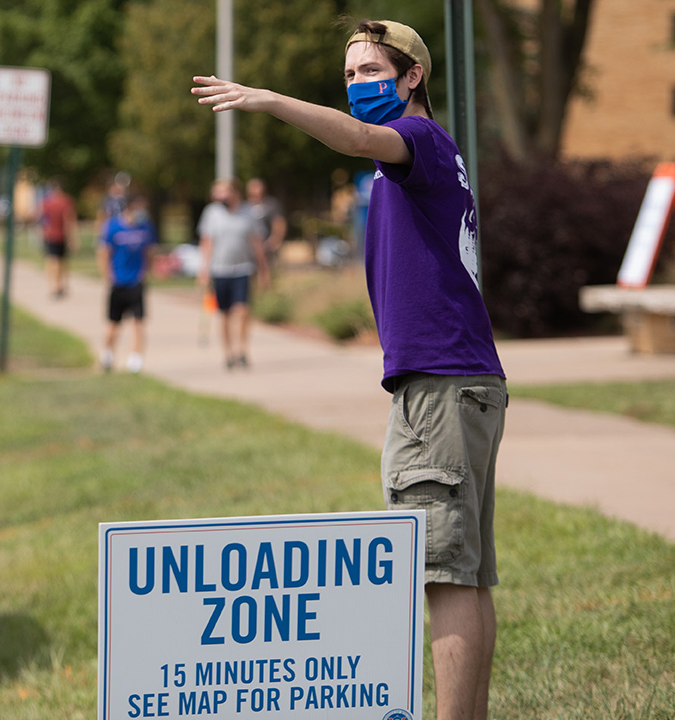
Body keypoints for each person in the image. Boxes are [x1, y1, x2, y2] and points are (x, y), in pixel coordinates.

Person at [193, 19, 506, 720]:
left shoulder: (418, 142)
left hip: (439, 383)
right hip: (464, 380)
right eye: (349, 75)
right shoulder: (431, 155)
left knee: (443, 578)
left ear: (412, 75)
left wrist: (269, 100)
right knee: (467, 578)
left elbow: (362, 137)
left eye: (370, 71)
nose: (358, 84)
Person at [196, 178, 270, 370]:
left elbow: (256, 242)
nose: (219, 196)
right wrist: (203, 269)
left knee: (243, 310)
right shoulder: (212, 213)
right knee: (225, 313)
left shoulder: (248, 213)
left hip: (243, 268)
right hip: (220, 270)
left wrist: (263, 269)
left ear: (235, 193)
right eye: (217, 192)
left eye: (223, 192)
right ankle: (228, 353)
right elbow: (207, 242)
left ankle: (242, 350)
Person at [97, 193, 156, 374]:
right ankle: (107, 353)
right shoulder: (113, 227)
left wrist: (146, 273)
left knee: (138, 322)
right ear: (130, 207)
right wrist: (108, 276)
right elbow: (104, 253)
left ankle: (135, 358)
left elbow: (150, 251)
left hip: (136, 282)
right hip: (118, 282)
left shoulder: (146, 227)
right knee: (114, 324)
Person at [39, 179, 78, 298]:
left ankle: (54, 285)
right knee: (60, 261)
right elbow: (69, 220)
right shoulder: (66, 201)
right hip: (61, 235)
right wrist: (72, 238)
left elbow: (41, 219)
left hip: (50, 235)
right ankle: (59, 286)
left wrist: (43, 232)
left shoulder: (46, 202)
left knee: (52, 260)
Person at [245, 177, 287, 263]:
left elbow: (279, 224)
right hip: (249, 249)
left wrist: (272, 243)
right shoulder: (244, 206)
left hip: (267, 247)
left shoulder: (271, 204)